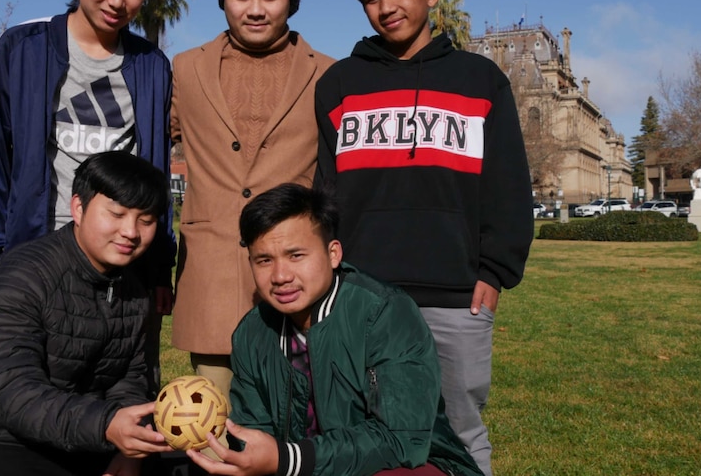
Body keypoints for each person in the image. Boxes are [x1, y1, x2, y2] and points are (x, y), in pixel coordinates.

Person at [314, 0, 533, 476]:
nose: (386, 8)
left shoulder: (482, 80)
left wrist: (496, 268)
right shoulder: (340, 83)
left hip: (457, 295)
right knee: (358, 429)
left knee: (459, 430)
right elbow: (326, 191)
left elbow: (508, 185)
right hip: (361, 294)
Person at [0, 0, 175, 394]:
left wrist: (160, 268)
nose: (117, 0)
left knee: (120, 393)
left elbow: (155, 174)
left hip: (126, 265)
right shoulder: (20, 49)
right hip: (37, 253)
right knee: (24, 389)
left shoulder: (151, 65)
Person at [186, 183, 483, 476]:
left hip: (408, 466)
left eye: (296, 256)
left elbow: (401, 440)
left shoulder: (385, 314)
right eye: (264, 260)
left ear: (333, 254)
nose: (280, 275)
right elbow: (254, 434)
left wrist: (289, 459)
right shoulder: (252, 333)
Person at [0, 152, 174, 476]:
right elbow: (10, 391)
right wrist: (105, 426)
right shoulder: (20, 278)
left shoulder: (134, 287)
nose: (131, 231)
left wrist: (130, 450)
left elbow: (130, 379)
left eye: (146, 221)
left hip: (84, 437)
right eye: (116, 214)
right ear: (78, 208)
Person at [170, 0, 334, 400]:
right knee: (211, 429)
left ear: (292, 1)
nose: (255, 9)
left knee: (297, 426)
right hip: (211, 277)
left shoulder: (327, 73)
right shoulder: (185, 69)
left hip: (294, 282)